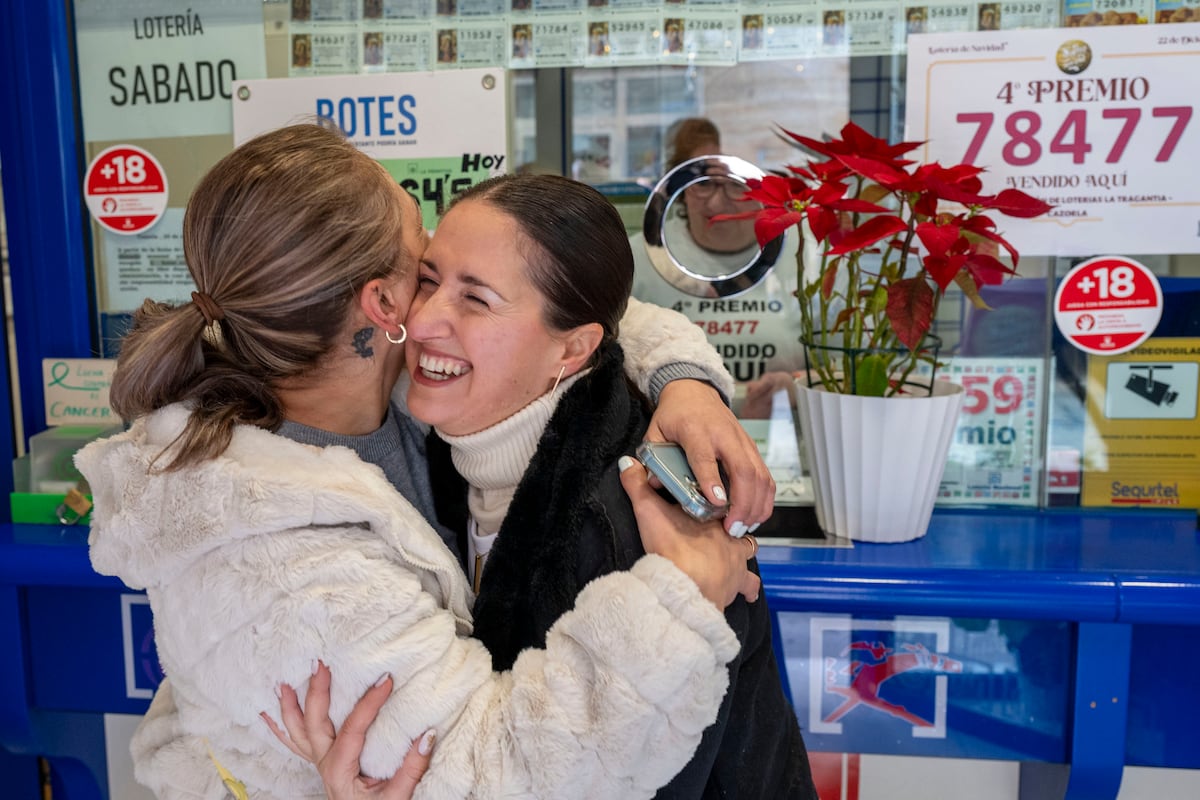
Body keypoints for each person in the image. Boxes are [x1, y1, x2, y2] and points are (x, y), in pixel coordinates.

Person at [76, 123, 773, 799]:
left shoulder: (387, 393)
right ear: (384, 305)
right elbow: (508, 777)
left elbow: (566, 308)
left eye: (469, 292)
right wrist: (677, 599)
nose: (441, 308)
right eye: (426, 264)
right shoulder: (276, 560)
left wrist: (686, 384)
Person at [277, 172, 816, 800]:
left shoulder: (643, 523)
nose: (422, 322)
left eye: (475, 299)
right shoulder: (442, 441)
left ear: (575, 348)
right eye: (427, 280)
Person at [631, 118, 804, 418]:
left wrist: (795, 388)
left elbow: (844, 368)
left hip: (784, 436)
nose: (717, 201)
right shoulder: (635, 258)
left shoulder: (806, 255)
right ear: (681, 188)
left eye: (737, 184)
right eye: (705, 183)